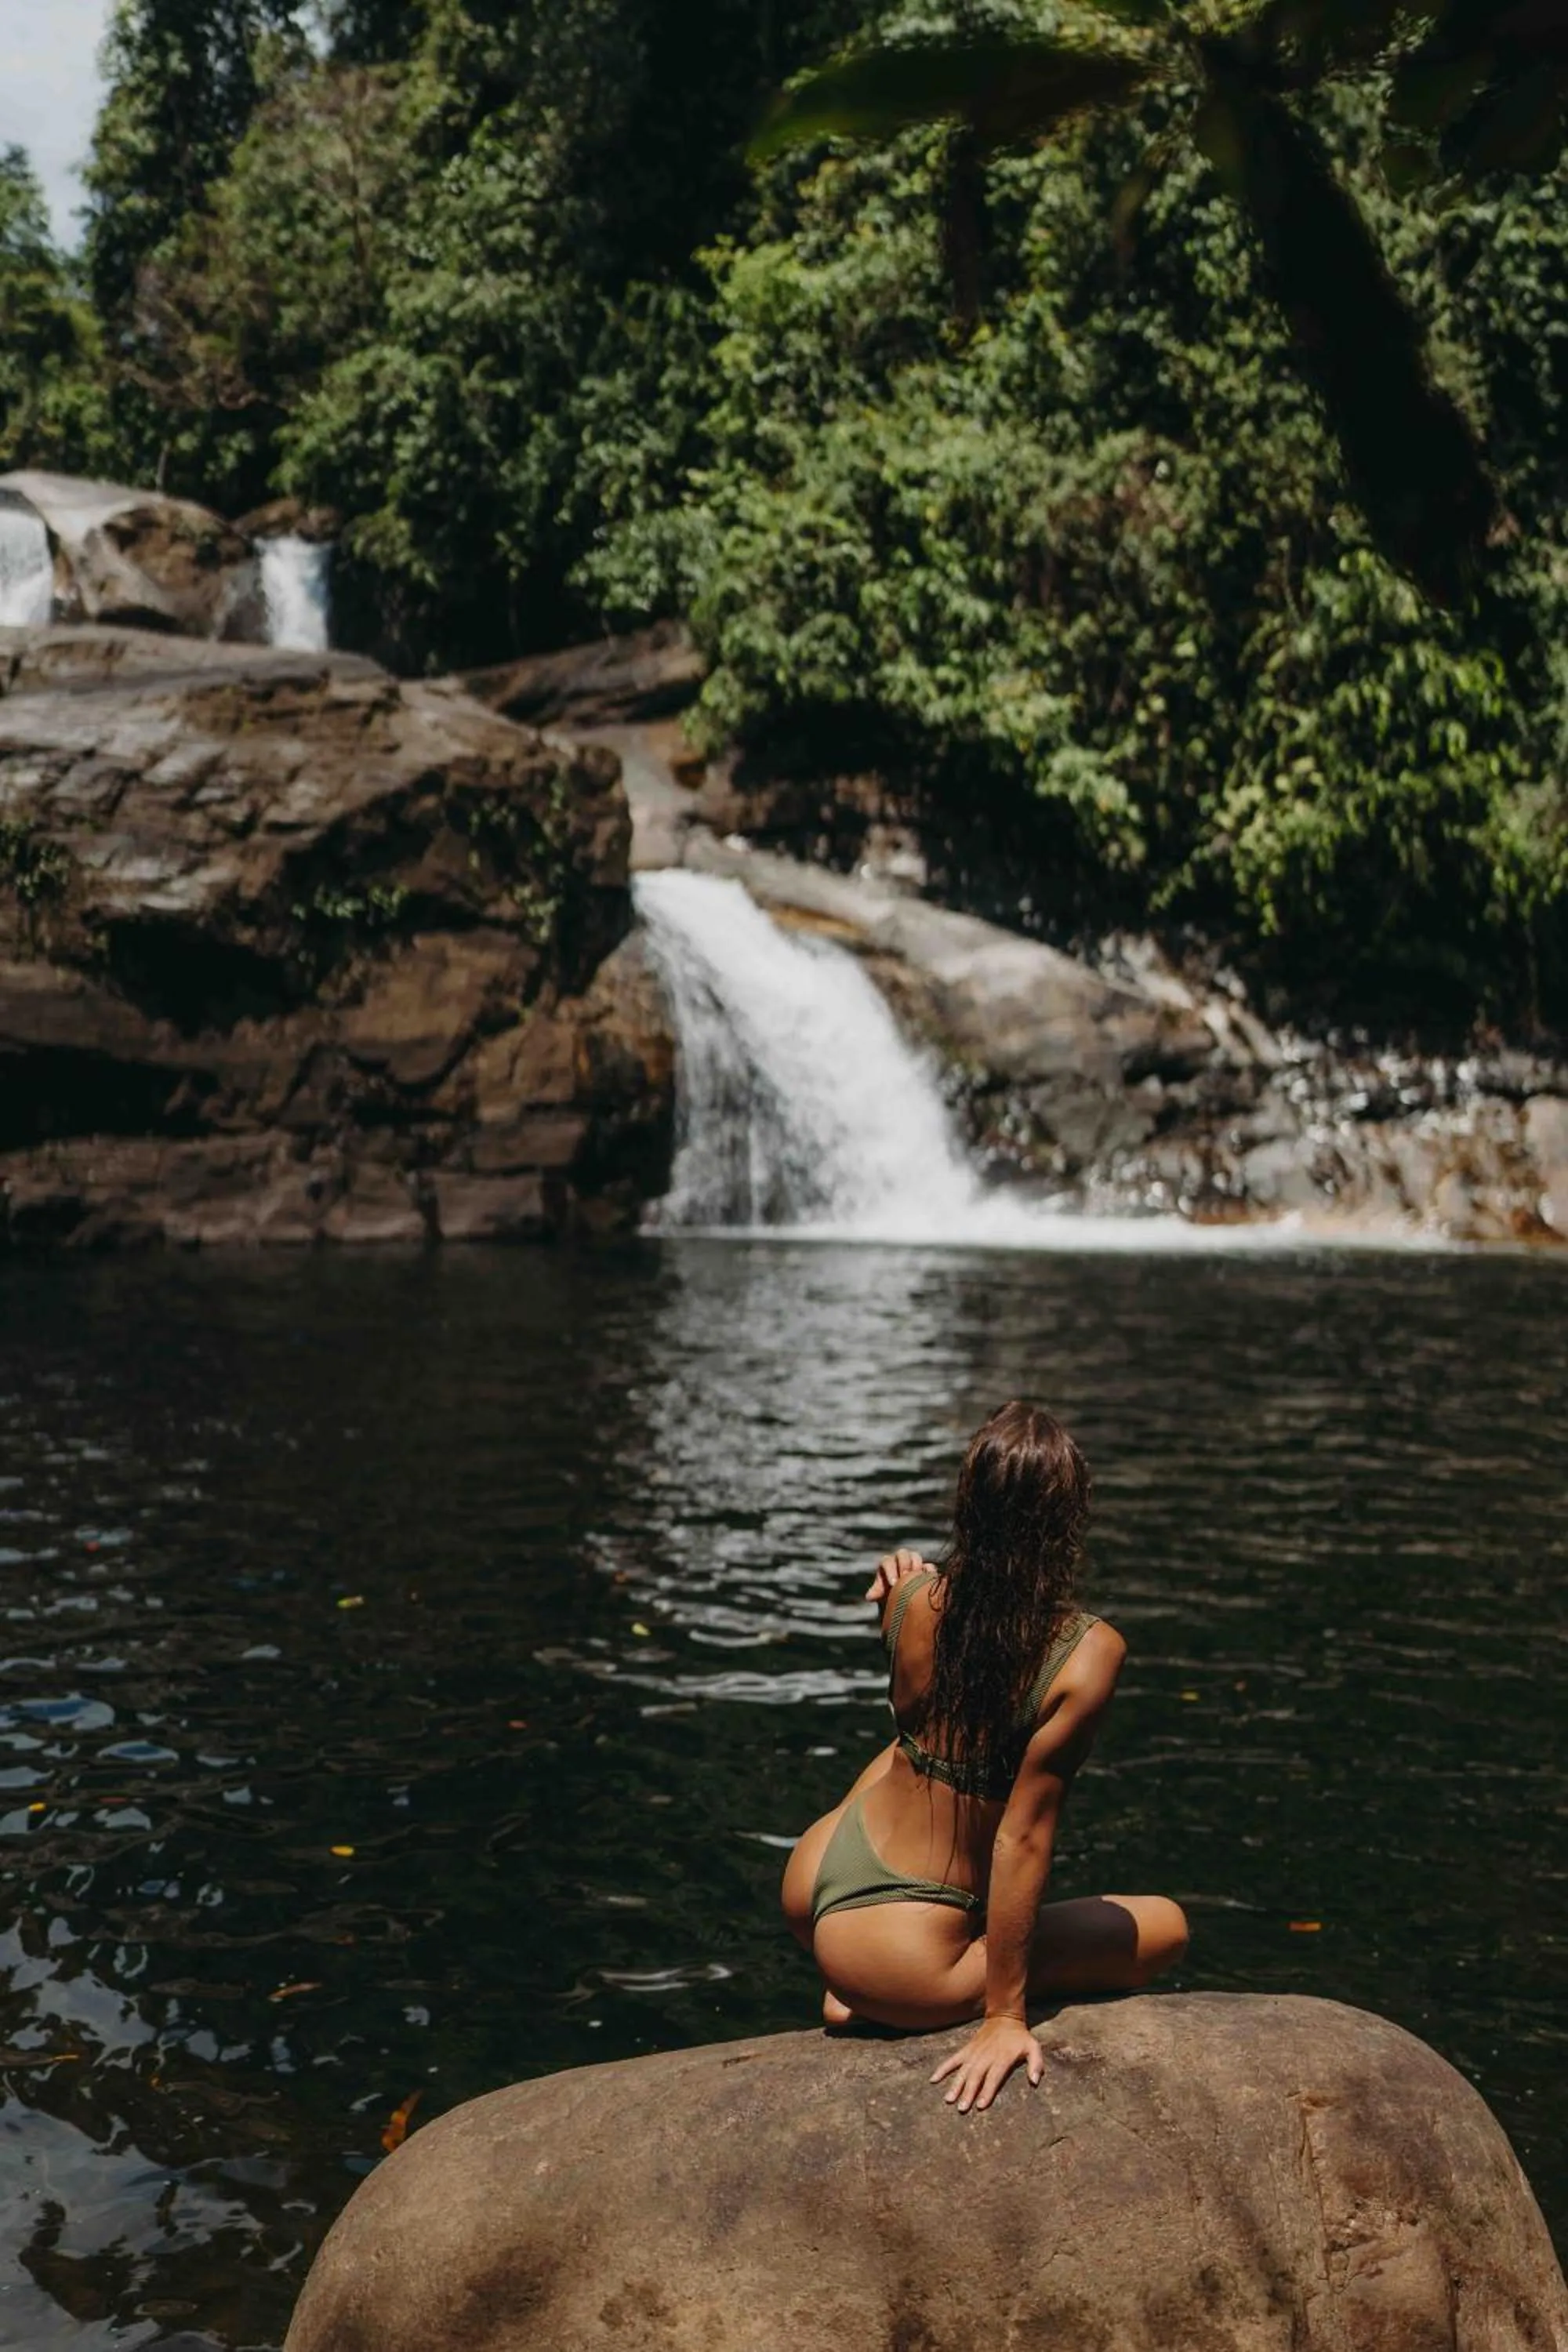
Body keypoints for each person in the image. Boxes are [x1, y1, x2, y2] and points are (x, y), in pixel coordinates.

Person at [781, 1399, 1189, 2113]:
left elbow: (915, 1699)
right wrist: (1005, 2017)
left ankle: (855, 1977)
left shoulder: (911, 1593)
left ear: (968, 1503)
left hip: (815, 1882)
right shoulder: (1088, 1652)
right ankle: (881, 1992)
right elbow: (1022, 1837)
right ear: (1069, 1521)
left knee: (916, 1744)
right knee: (1165, 1928)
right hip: (904, 1954)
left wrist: (895, 1601)